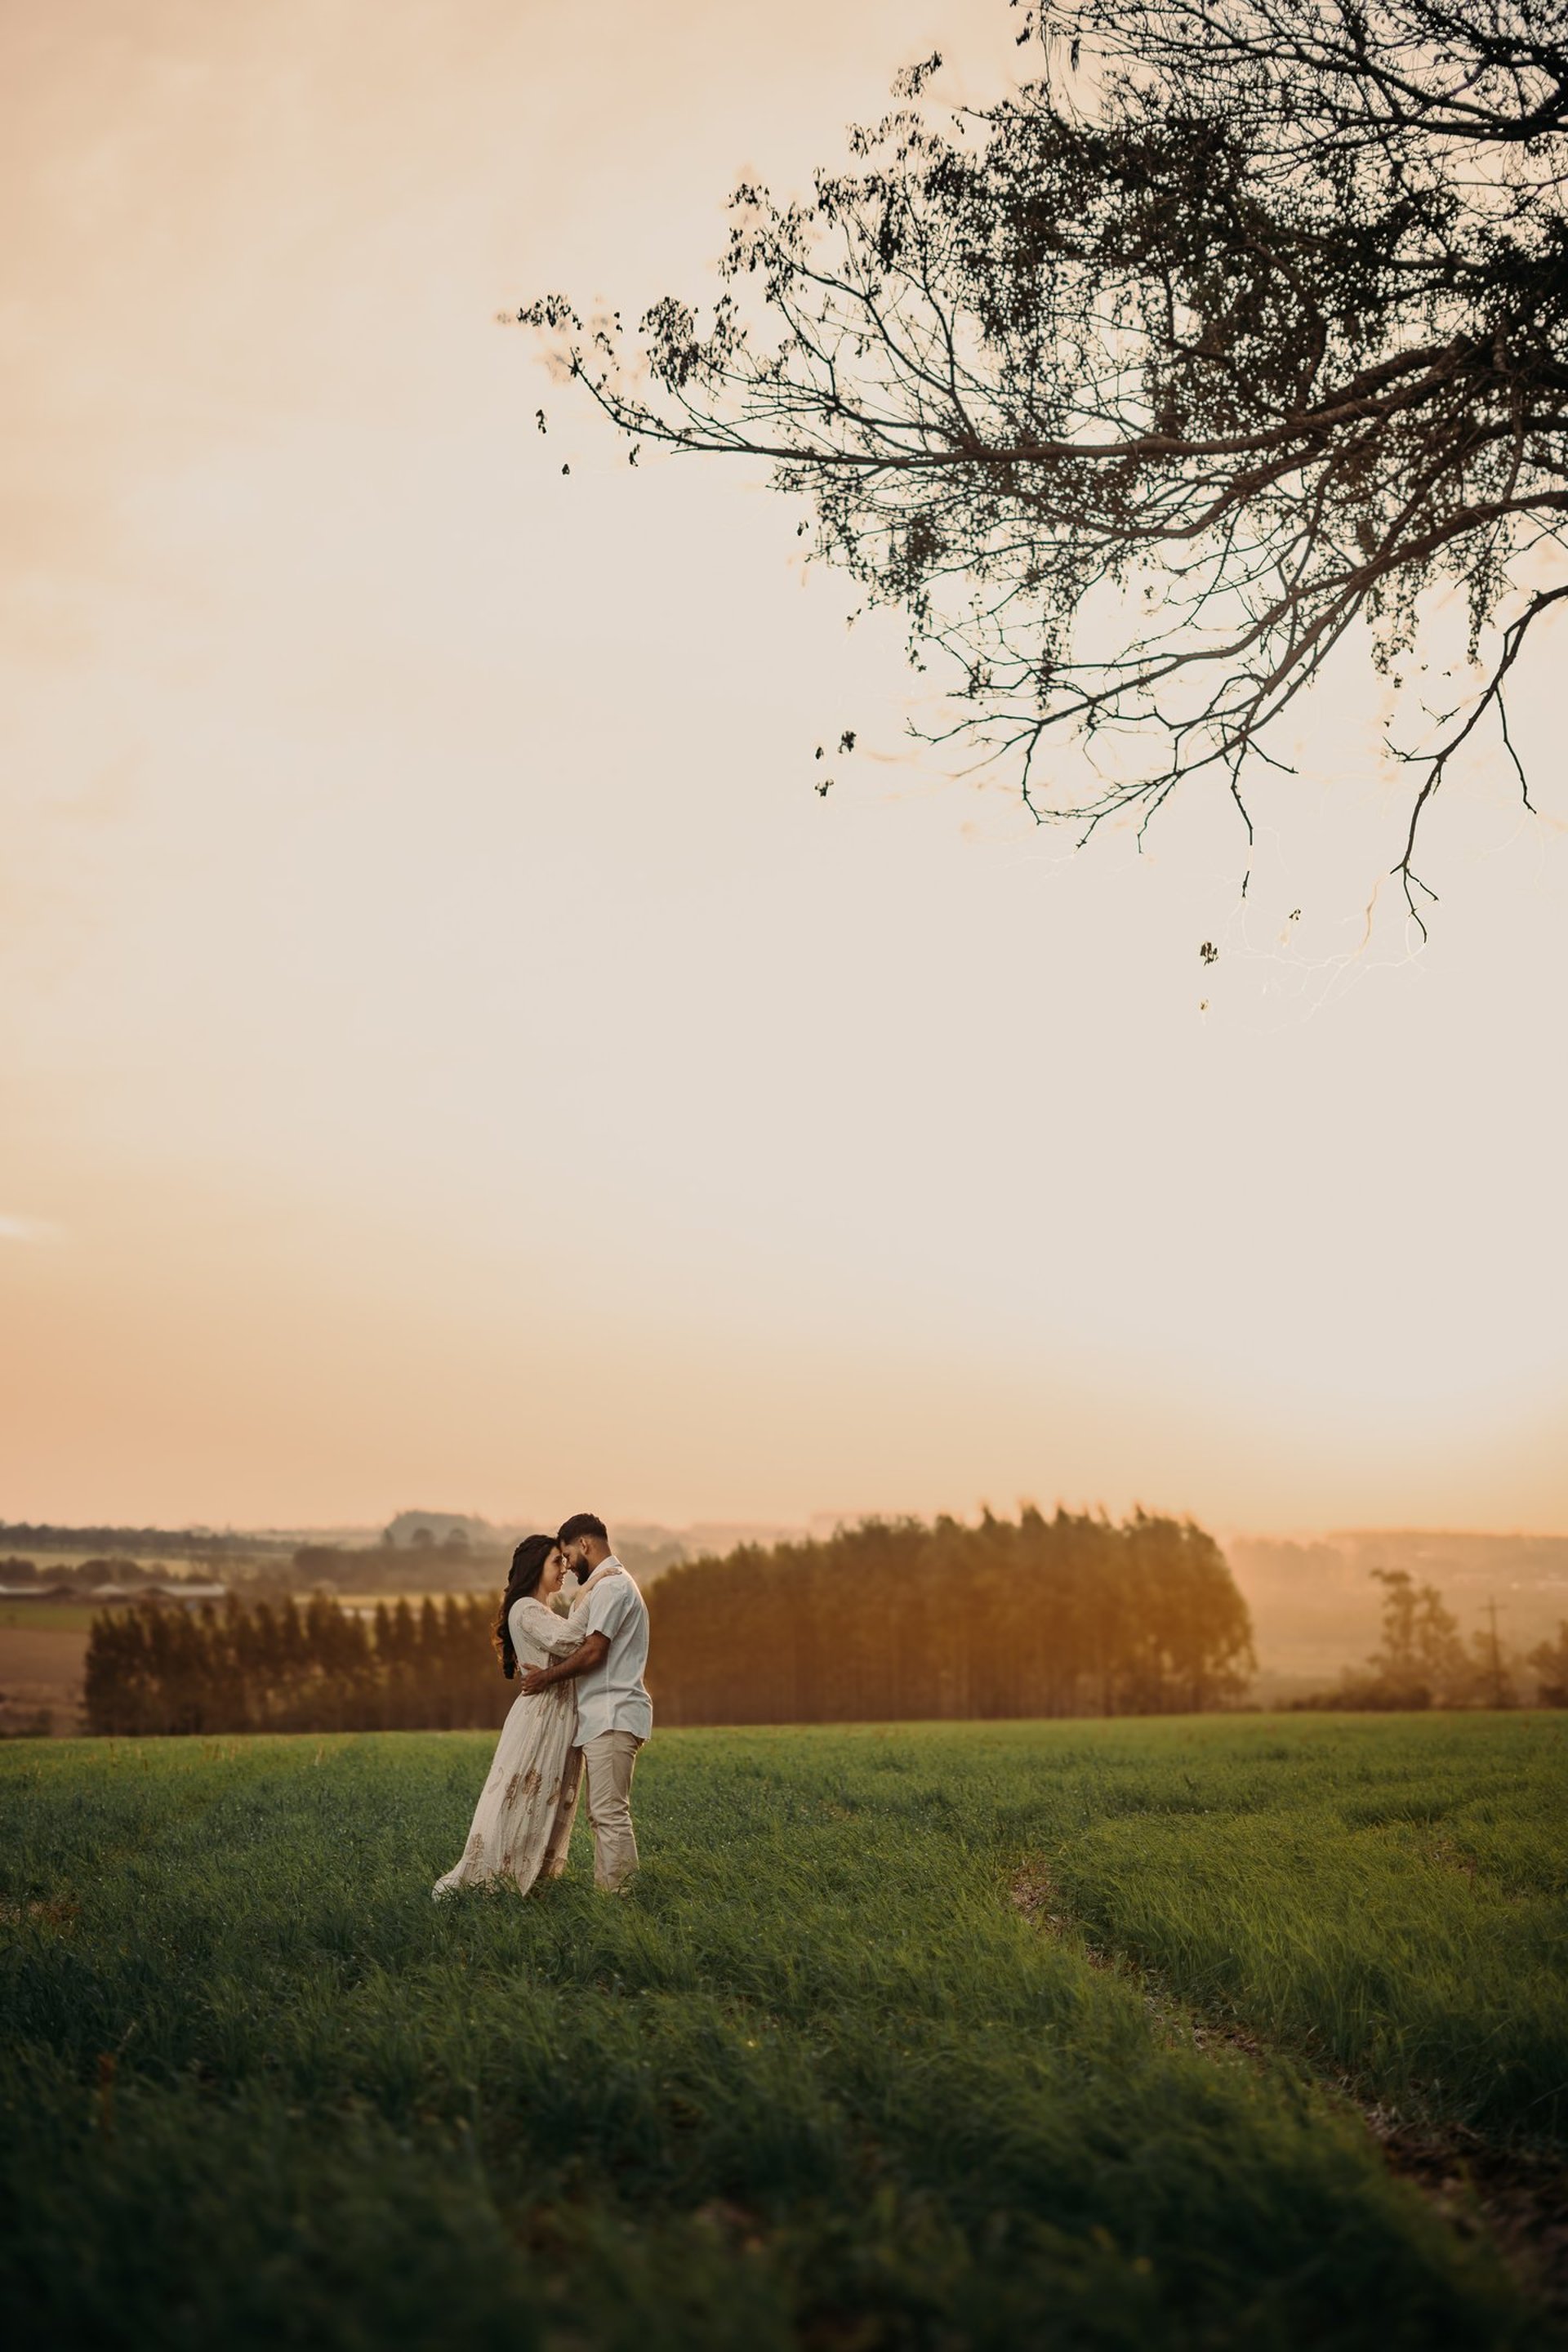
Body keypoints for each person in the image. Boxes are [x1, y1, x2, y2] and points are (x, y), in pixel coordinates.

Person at [430, 1533, 617, 1898]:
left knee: (548, 1795)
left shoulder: (539, 1610)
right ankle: (505, 1878)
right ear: (535, 1568)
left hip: (558, 1714)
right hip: (542, 1717)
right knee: (527, 1794)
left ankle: (532, 1879)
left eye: (564, 1562)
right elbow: (569, 1640)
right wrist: (595, 1590)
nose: (563, 1569)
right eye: (555, 1562)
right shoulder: (526, 1610)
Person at [519, 1512, 650, 1891]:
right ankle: (613, 1894)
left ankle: (619, 1898)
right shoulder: (605, 1585)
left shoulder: (612, 1588)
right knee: (603, 1814)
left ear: (585, 1545)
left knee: (609, 1813)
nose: (567, 1566)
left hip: (613, 1714)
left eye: (567, 1556)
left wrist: (544, 1678)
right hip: (604, 1715)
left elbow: (594, 1652)